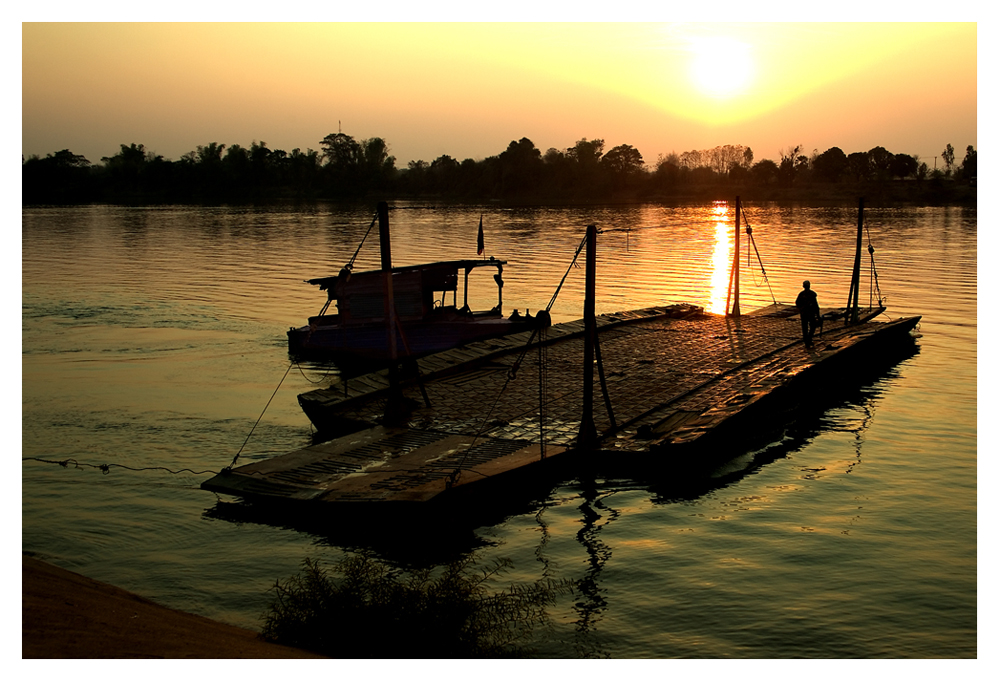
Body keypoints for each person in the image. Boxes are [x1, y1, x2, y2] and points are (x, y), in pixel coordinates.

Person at [795, 280, 821, 346]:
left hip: (805, 313)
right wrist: (818, 315)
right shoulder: (811, 294)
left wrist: (800, 309)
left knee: (805, 327)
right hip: (809, 313)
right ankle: (808, 339)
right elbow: (816, 305)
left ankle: (807, 339)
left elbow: (797, 303)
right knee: (811, 326)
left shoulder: (802, 294)